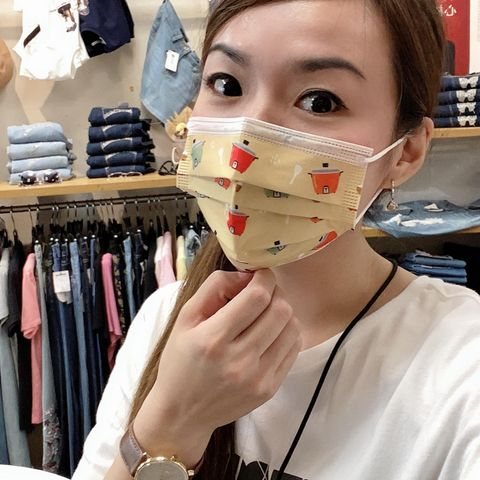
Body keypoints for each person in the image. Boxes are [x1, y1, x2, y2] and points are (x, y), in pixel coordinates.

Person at [73, 1, 480, 479]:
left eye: (320, 101)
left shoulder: (460, 364)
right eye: (227, 85)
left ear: (406, 151)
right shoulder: (165, 318)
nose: (248, 137)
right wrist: (171, 424)